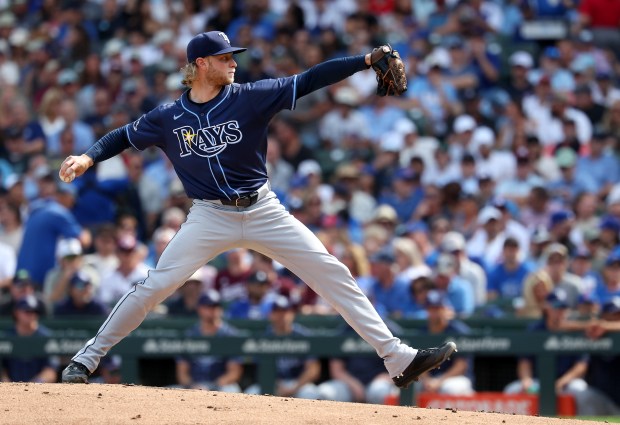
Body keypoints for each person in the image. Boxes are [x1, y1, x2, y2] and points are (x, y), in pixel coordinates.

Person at [59, 31, 455, 387]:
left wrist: (365, 61)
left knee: (332, 272)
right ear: (201, 64)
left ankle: (397, 357)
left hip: (263, 209)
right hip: (209, 215)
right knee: (154, 287)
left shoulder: (250, 96)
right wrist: (88, 157)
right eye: (225, 57)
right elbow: (122, 136)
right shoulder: (168, 117)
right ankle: (86, 359)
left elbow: (312, 78)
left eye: (234, 56)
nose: (234, 62)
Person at [245, 295, 321, 399]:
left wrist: (294, 388)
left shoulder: (303, 336)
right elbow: (261, 370)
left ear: (292, 314)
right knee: (250, 394)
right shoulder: (265, 337)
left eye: (285, 311)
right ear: (270, 315)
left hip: (299, 383)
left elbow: (313, 370)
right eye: (277, 312)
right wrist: (278, 385)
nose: (281, 315)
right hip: (273, 383)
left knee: (311, 393)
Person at [174, 289, 243, 392]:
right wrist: (193, 386)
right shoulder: (190, 335)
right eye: (208, 306)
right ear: (199, 309)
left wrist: (212, 387)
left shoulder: (230, 334)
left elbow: (234, 372)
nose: (212, 310)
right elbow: (182, 373)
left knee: (232, 390)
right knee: (171, 390)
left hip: (220, 386)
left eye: (215, 306)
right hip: (194, 386)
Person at [0, 295, 59, 383]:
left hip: (38, 391)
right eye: (27, 311)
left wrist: (32, 386)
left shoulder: (45, 336)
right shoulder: (7, 337)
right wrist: (8, 385)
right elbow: (2, 369)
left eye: (34, 311)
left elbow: (51, 371)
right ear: (16, 313)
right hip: (10, 390)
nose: (31, 314)